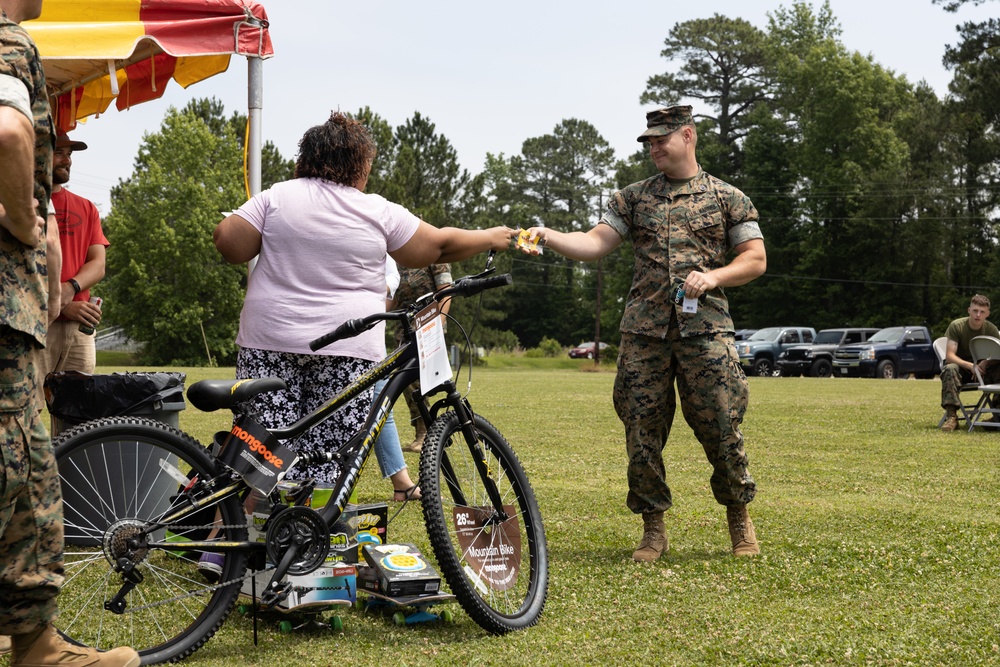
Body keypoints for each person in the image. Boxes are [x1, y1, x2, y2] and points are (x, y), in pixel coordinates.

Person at [213, 111, 512, 499]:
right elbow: (436, 245)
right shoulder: (376, 210)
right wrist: (489, 236)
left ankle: (225, 551)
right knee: (328, 456)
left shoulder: (277, 196)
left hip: (269, 341)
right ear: (359, 165)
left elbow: (227, 242)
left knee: (260, 451)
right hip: (346, 351)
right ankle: (306, 547)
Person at [517, 106, 766, 561]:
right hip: (644, 334)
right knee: (641, 433)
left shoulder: (728, 197)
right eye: (648, 141)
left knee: (722, 425)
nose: (653, 147)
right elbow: (595, 243)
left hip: (705, 332)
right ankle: (653, 529)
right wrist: (550, 235)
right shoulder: (632, 198)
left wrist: (713, 277)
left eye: (660, 139)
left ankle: (738, 518)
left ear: (687, 136)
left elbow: (755, 259)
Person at [0, 1, 139, 665]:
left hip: (37, 315)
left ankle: (35, 642)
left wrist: (71, 290)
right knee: (18, 464)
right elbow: (9, 133)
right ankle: (36, 648)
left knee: (30, 464)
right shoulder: (7, 43)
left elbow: (94, 257)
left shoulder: (84, 206)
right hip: (11, 314)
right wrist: (27, 226)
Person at [46, 132, 108, 380]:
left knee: (79, 411)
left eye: (69, 155)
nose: (67, 160)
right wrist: (62, 306)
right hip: (37, 325)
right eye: (59, 153)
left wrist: (72, 287)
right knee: (28, 407)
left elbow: (98, 263)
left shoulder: (87, 207)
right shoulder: (20, 204)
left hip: (80, 330)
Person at [390, 262, 452, 452]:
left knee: (427, 381)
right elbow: (392, 299)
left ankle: (432, 434)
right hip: (404, 328)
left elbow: (446, 291)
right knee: (407, 382)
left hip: (429, 324)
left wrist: (438, 324)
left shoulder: (434, 255)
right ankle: (422, 433)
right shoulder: (396, 258)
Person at [940, 294, 1000, 431]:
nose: (978, 315)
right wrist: (970, 366)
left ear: (987, 314)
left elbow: (998, 355)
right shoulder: (957, 326)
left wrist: (984, 363)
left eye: (982, 312)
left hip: (983, 371)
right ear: (969, 310)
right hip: (962, 370)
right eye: (975, 310)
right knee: (950, 368)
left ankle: (998, 415)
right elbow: (949, 356)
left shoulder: (991, 329)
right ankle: (952, 418)